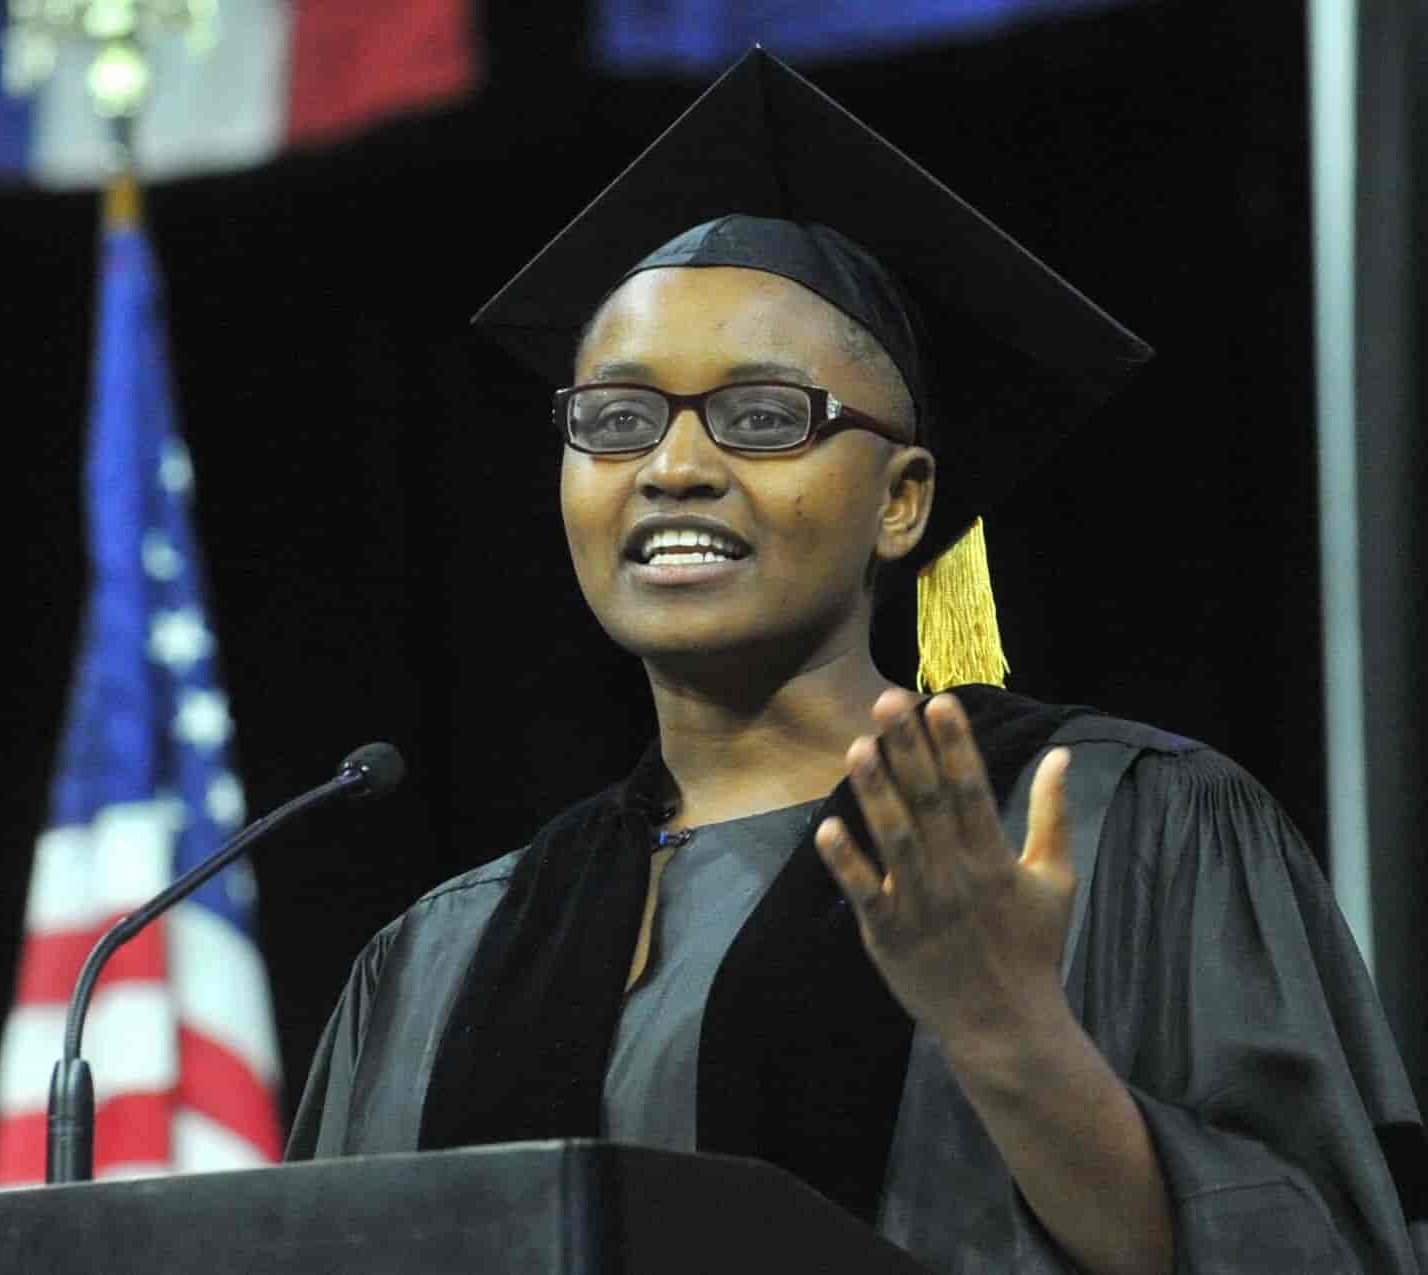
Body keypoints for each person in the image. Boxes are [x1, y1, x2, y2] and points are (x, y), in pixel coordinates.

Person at [286, 49, 1426, 1275]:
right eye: (616, 420)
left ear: (902, 500)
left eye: (764, 417)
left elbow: (1316, 1252)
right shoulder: (443, 955)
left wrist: (1008, 1037)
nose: (672, 466)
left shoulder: (1120, 831)